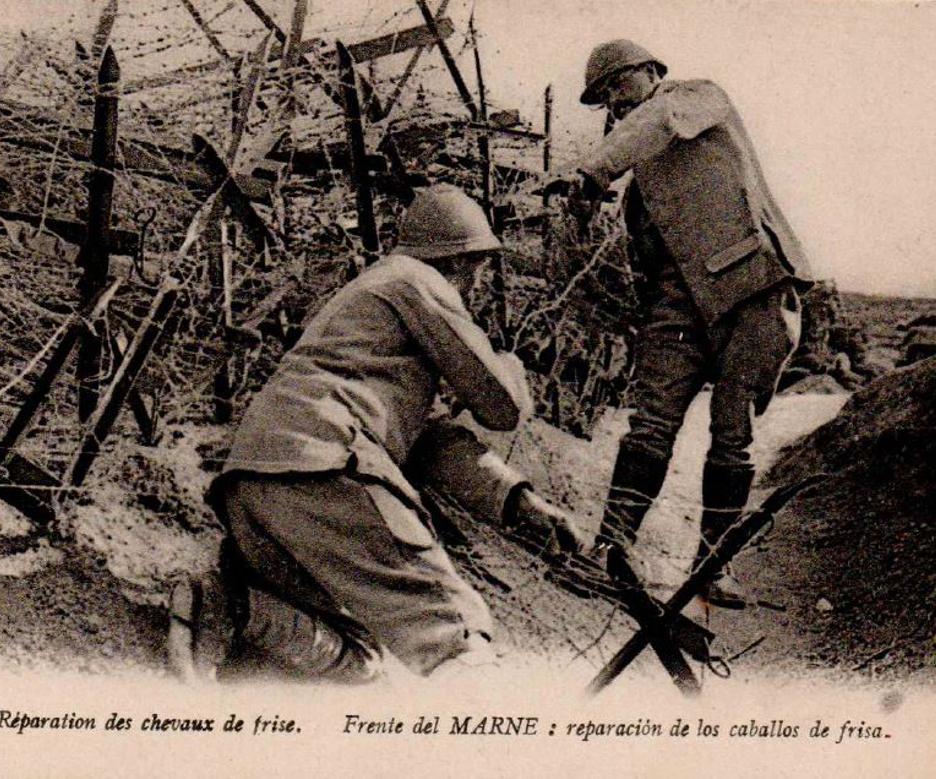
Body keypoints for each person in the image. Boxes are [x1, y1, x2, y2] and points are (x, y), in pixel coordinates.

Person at [167, 184, 582, 682]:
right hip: (329, 465)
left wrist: (514, 499)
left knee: (359, 656)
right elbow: (503, 407)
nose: (477, 280)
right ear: (463, 258)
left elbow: (424, 440)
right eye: (479, 264)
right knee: (455, 632)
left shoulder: (363, 324)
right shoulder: (414, 278)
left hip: (255, 486)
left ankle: (231, 607)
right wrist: (510, 364)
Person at [555, 40, 813, 607]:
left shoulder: (696, 98)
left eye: (617, 87)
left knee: (732, 435)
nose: (613, 106)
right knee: (650, 426)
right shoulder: (638, 161)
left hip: (752, 290)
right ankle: (609, 549)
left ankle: (712, 568)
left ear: (651, 71)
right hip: (676, 306)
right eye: (601, 99)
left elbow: (661, 120)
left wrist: (593, 170)